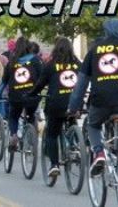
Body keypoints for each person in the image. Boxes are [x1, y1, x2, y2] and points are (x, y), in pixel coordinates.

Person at [68, 19, 118, 176]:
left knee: (93, 125)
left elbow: (81, 84)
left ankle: (99, 153)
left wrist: (74, 107)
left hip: (101, 101)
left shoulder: (93, 51)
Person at [28, 37, 81, 178]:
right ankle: (76, 146)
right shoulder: (77, 64)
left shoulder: (50, 64)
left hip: (56, 104)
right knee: (71, 120)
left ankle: (54, 165)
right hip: (75, 103)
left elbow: (40, 84)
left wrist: (31, 94)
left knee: (51, 134)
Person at [0, 37, 43, 151]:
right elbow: (43, 77)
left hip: (15, 97)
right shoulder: (35, 60)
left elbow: (4, 81)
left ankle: (13, 135)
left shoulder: (12, 61)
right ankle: (32, 140)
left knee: (14, 116)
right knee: (31, 116)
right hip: (32, 96)